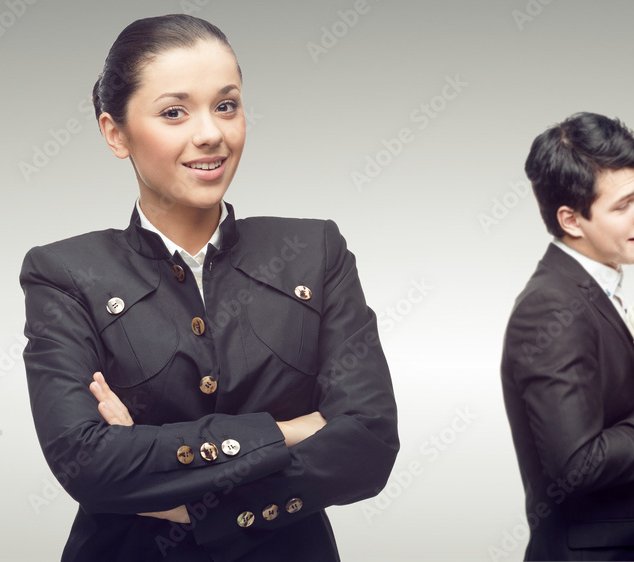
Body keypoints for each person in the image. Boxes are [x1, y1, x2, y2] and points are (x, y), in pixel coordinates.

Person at [19, 15, 398, 561]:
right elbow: (87, 462)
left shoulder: (315, 251)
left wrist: (183, 502)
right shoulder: (64, 273)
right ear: (115, 133)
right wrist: (288, 431)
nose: (211, 133)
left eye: (226, 105)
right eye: (174, 112)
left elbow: (369, 445)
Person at [500, 112, 634, 561]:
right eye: (623, 204)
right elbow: (576, 463)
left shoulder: (586, 291)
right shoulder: (550, 307)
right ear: (571, 220)